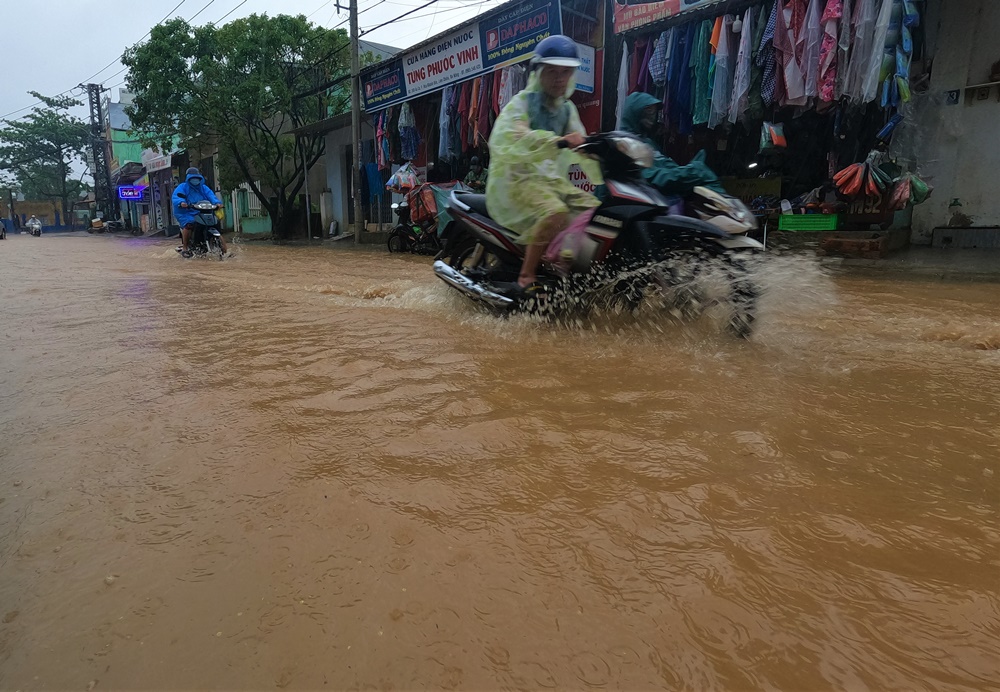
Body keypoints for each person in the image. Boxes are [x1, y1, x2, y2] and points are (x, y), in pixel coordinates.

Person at [486, 35, 602, 292]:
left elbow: (580, 144)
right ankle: (526, 276)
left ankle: (563, 259)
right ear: (538, 73)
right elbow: (511, 139)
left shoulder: (567, 109)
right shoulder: (522, 104)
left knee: (596, 209)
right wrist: (557, 141)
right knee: (555, 212)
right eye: (552, 72)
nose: (559, 78)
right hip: (516, 180)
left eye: (565, 72)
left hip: (549, 181)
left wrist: (602, 159)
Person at [619, 92, 725, 196]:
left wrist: (690, 170)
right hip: (653, 203)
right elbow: (650, 176)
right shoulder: (626, 144)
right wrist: (692, 172)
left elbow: (666, 167)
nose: (652, 116)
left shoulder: (647, 142)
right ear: (635, 112)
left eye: (654, 111)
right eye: (648, 110)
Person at [172, 167, 228, 257]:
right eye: (193, 178)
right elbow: (176, 197)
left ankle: (222, 250)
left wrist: (217, 203)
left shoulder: (203, 188)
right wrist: (181, 202)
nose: (195, 180)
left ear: (200, 178)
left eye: (197, 178)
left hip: (201, 211)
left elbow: (211, 196)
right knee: (189, 224)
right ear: (188, 178)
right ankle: (185, 248)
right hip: (186, 212)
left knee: (214, 222)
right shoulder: (182, 187)